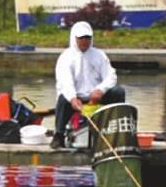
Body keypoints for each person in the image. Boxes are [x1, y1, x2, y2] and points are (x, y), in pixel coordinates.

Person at [53, 20, 124, 148]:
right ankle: (59, 134)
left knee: (118, 92)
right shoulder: (66, 57)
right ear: (74, 38)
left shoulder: (99, 55)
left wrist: (101, 89)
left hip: (95, 96)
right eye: (81, 38)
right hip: (76, 98)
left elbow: (111, 76)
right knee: (63, 99)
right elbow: (65, 82)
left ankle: (116, 132)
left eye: (87, 38)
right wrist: (73, 98)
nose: (85, 41)